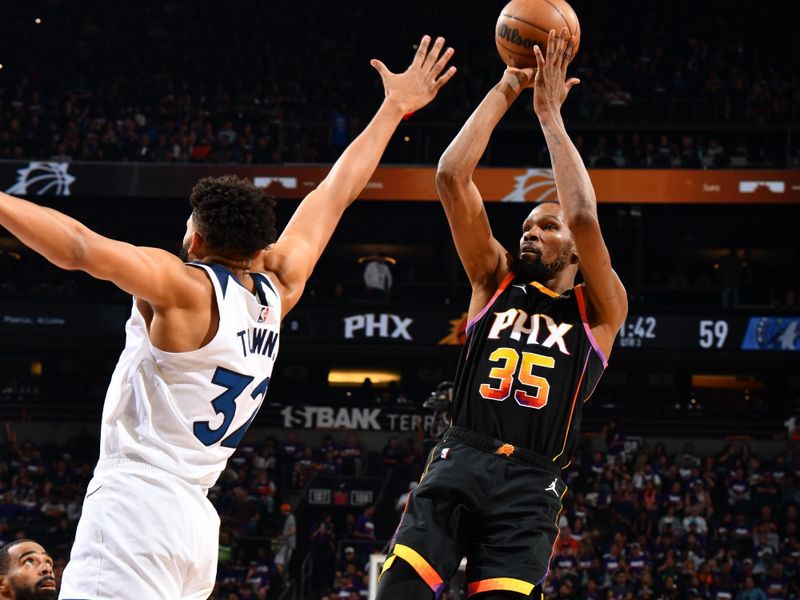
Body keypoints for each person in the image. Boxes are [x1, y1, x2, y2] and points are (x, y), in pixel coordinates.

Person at [0, 36, 455, 600]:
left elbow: (78, 246)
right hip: (195, 522)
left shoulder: (184, 288)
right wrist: (393, 109)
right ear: (259, 245)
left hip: (134, 507)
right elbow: (335, 194)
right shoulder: (279, 287)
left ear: (194, 235)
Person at [377, 29, 627, 600]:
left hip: (533, 482)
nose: (531, 233)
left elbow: (585, 216)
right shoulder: (494, 279)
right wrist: (508, 84)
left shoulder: (600, 307)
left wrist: (549, 115)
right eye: (526, 227)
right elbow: (450, 176)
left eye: (546, 226)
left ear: (572, 249)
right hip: (460, 455)